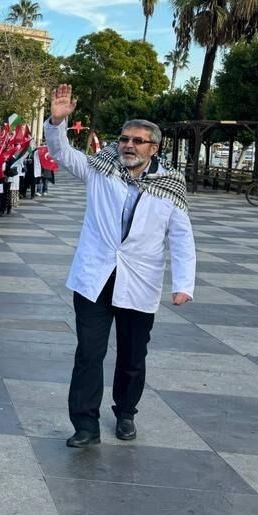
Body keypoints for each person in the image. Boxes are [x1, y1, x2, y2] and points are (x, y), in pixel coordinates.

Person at [46, 84, 196, 448]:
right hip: (95, 278)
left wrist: (183, 283)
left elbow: (181, 237)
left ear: (153, 148)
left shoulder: (170, 184)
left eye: (138, 141)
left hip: (139, 282)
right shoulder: (100, 169)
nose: (128, 145)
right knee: (89, 353)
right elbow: (62, 152)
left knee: (132, 356)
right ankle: (85, 424)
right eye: (125, 138)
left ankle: (126, 411)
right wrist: (56, 121)